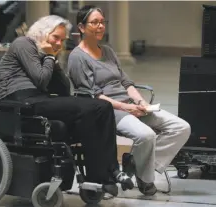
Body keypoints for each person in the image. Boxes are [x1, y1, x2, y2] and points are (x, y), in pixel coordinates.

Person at [0, 15, 133, 196]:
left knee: (102, 107)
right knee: (95, 107)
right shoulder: (24, 43)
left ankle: (106, 173)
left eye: (62, 40)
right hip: (20, 101)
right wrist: (50, 57)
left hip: (38, 98)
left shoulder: (44, 53)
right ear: (42, 34)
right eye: (56, 38)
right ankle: (105, 174)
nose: (59, 43)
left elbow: (64, 88)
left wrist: (54, 59)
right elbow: (41, 80)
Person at [68, 6, 191, 196]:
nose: (100, 26)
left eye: (102, 22)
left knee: (181, 128)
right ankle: (145, 179)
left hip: (129, 104)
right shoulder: (77, 57)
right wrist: (127, 108)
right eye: (94, 22)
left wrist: (140, 102)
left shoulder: (108, 51)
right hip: (108, 110)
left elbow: (126, 82)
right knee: (146, 135)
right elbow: (93, 95)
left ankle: (136, 164)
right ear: (82, 27)